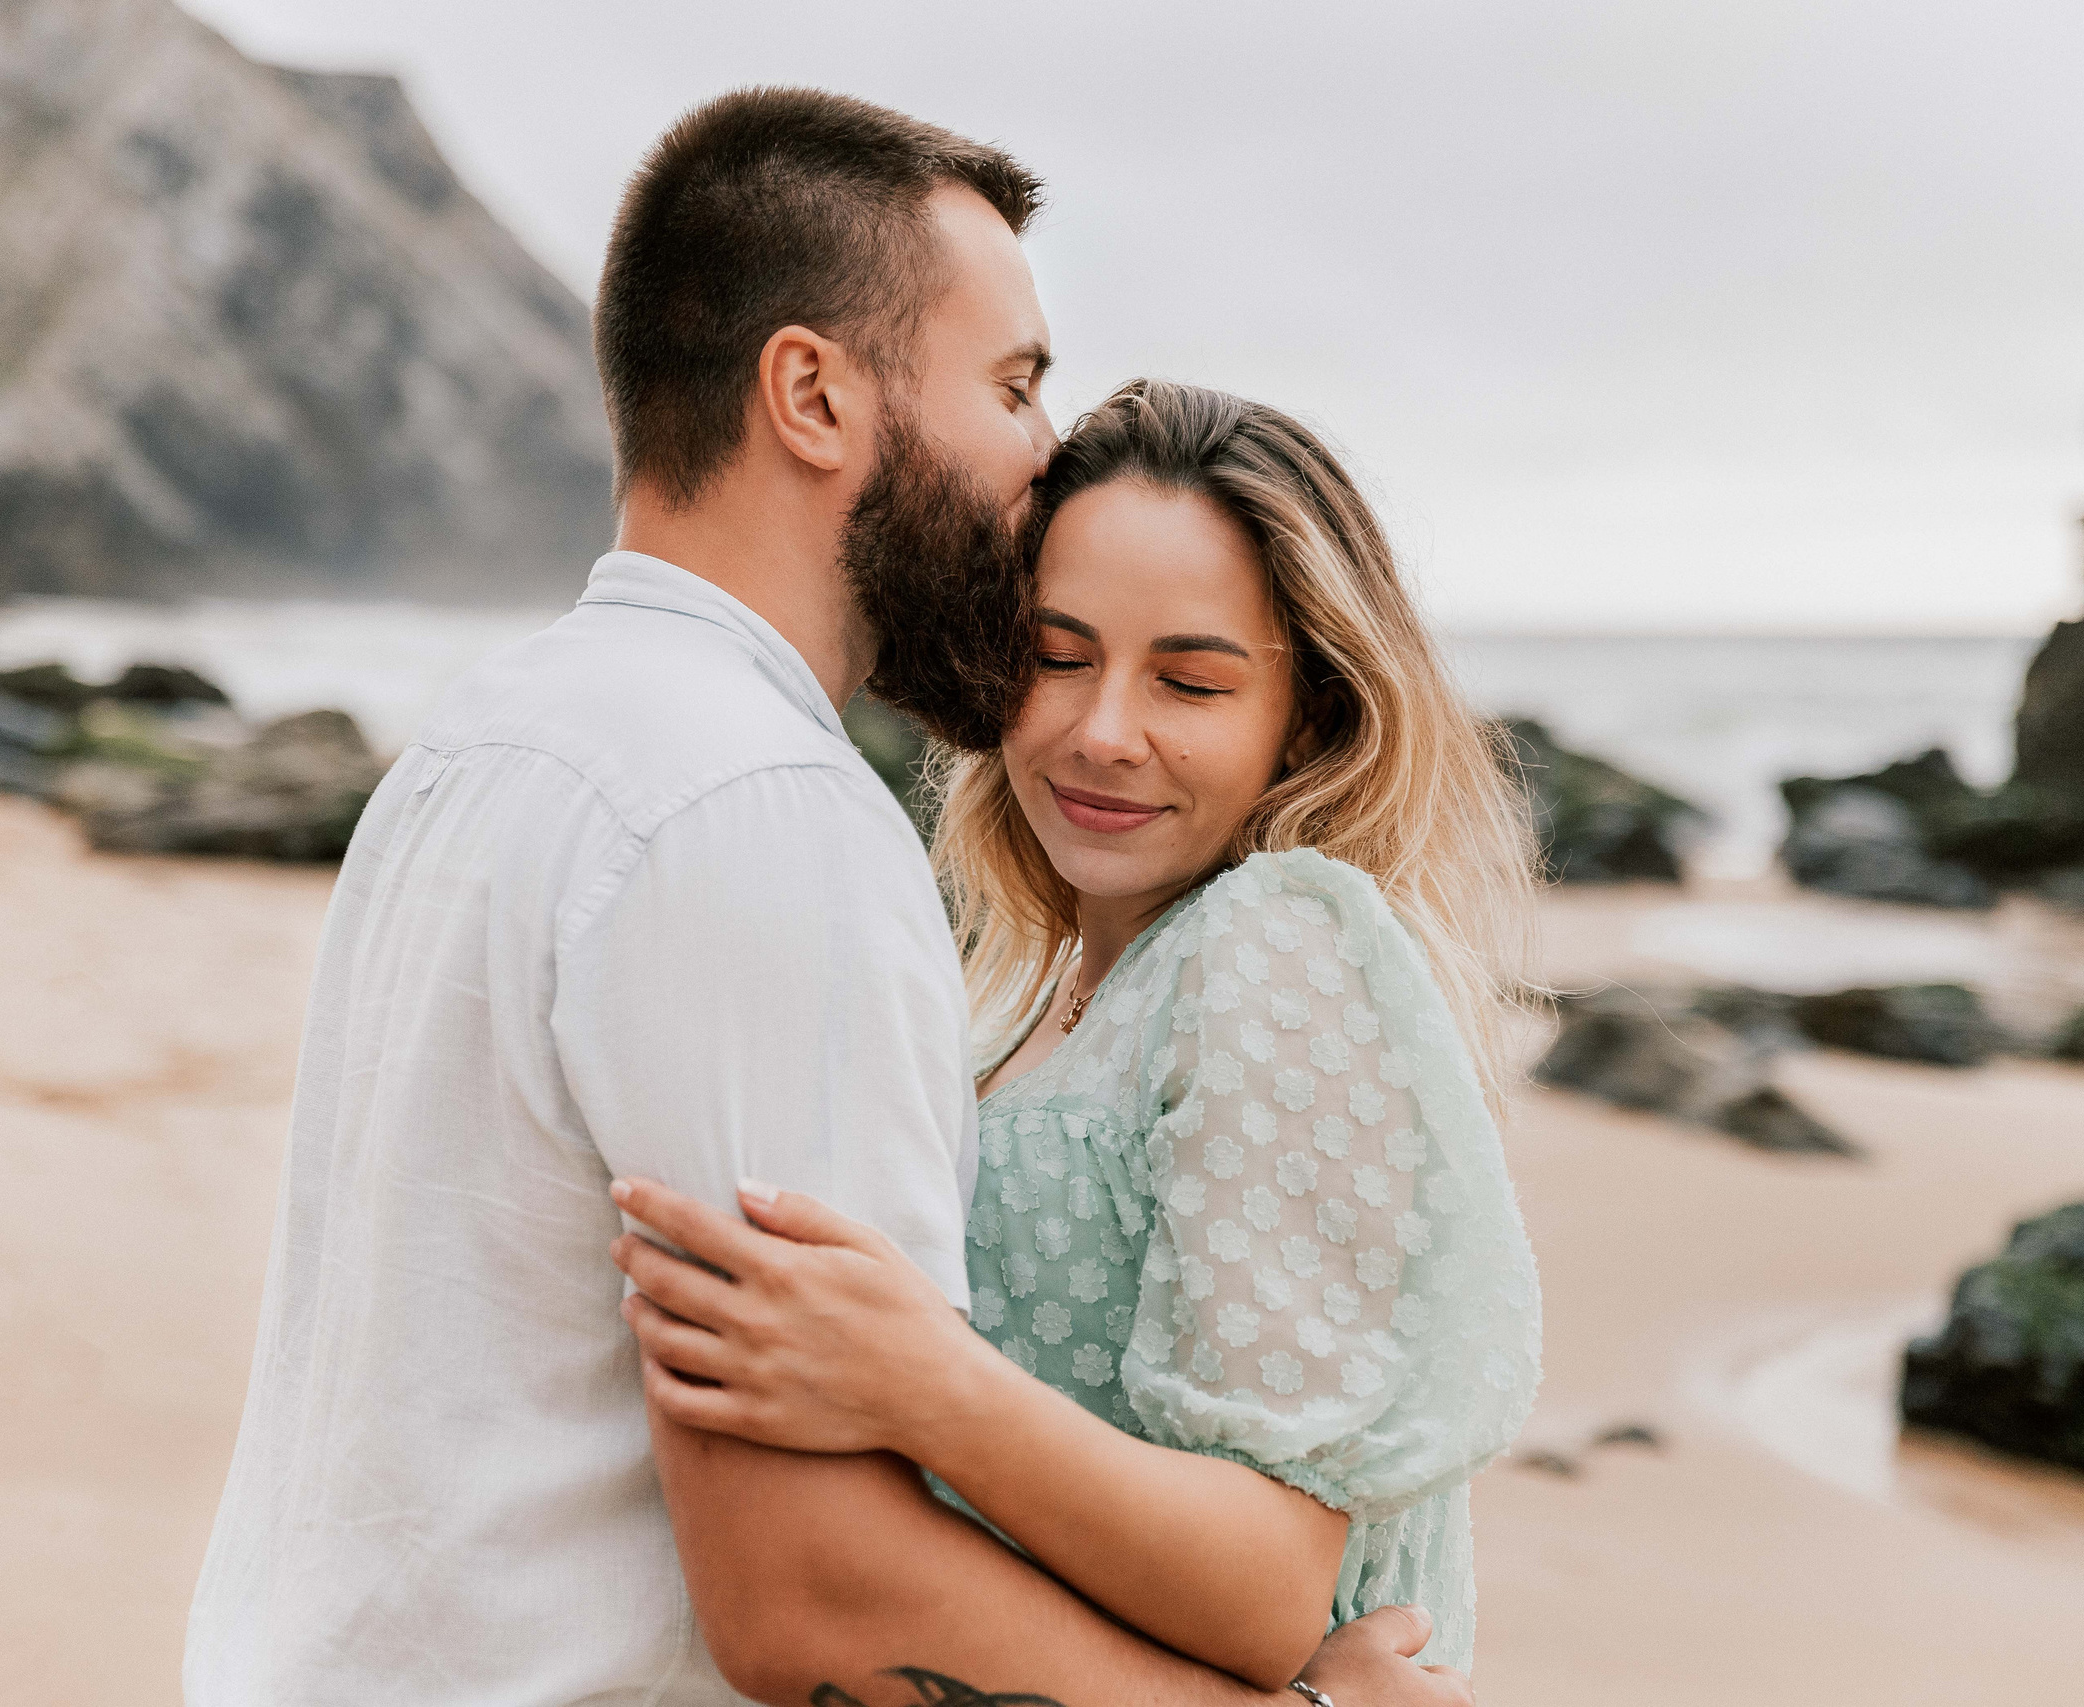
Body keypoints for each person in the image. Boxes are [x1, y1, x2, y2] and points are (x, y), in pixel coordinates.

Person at [185, 89, 1462, 1706]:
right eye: (1011, 385)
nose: (1042, 453)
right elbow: (817, 1600)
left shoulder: (485, 740)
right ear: (813, 394)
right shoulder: (755, 810)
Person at [611, 379, 1545, 1683]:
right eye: (1058, 658)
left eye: (1192, 682)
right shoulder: (1024, 990)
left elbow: (1267, 1588)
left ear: (1310, 718)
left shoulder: (1278, 947)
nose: (1104, 733)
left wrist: (923, 1384)